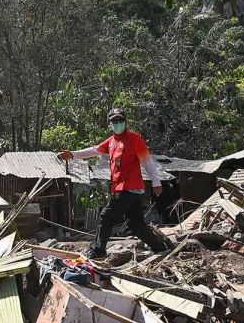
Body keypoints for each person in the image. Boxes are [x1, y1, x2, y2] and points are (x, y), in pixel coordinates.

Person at [58, 108, 170, 259]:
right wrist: (72, 155)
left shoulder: (134, 139)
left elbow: (147, 160)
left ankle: (98, 250)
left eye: (120, 120)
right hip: (121, 189)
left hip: (130, 188)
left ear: (125, 121)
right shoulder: (111, 142)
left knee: (106, 216)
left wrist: (156, 182)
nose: (118, 123)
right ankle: (160, 247)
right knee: (136, 225)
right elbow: (94, 150)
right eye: (114, 121)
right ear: (109, 124)